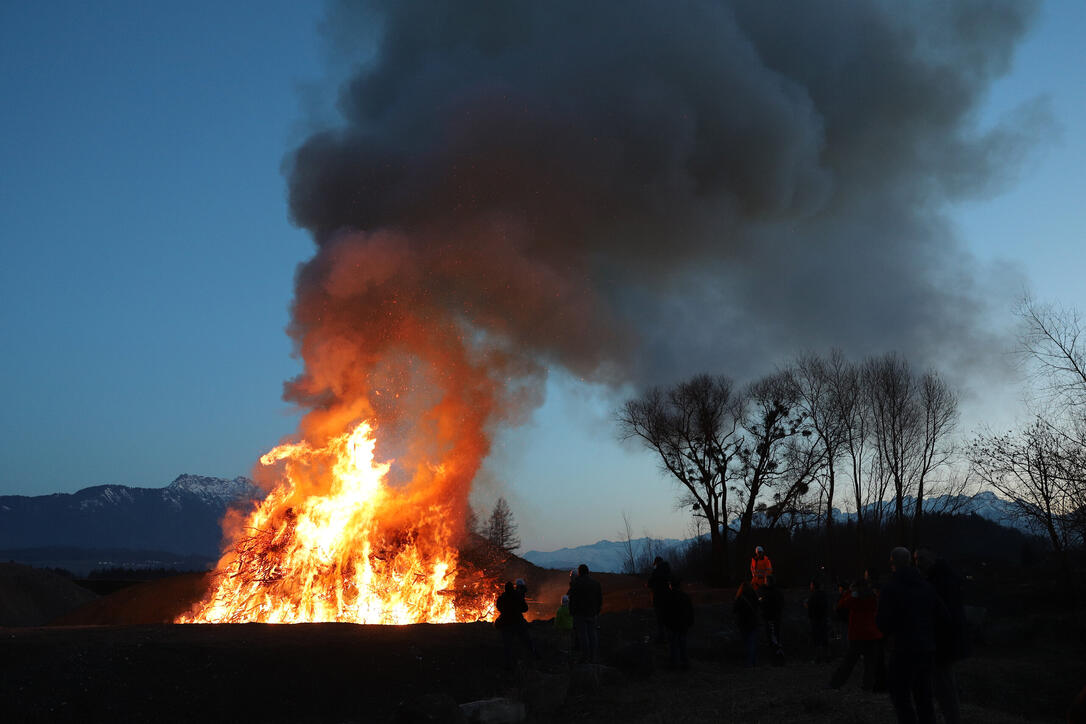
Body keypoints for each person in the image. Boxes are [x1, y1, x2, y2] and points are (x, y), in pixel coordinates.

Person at [876, 547, 948, 724]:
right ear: (909, 562)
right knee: (924, 696)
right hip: (925, 649)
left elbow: (882, 622)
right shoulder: (927, 586)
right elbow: (944, 616)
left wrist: (890, 634)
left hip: (902, 650)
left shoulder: (890, 588)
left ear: (893, 563)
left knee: (901, 696)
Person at [915, 548, 969, 724]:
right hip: (944, 640)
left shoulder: (941, 581)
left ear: (932, 558)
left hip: (943, 641)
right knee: (943, 683)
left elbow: (943, 614)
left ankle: (951, 719)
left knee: (944, 685)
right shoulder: (941, 577)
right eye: (916, 559)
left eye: (921, 558)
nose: (917, 563)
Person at [828, 579, 886, 691]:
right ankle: (867, 686)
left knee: (848, 663)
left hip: (857, 635)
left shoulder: (853, 600)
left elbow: (840, 606)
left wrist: (849, 593)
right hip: (872, 635)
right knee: (869, 664)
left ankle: (835, 683)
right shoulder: (873, 599)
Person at [568, 563, 603, 663]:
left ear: (579, 572)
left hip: (580, 614)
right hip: (592, 613)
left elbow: (572, 599)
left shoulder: (576, 583)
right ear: (588, 572)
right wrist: (597, 610)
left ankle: (585, 657)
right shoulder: (596, 583)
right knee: (592, 635)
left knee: (583, 635)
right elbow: (599, 599)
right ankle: (593, 657)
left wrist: (572, 611)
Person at [495, 581, 532, 670]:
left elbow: (498, 607)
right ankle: (530, 657)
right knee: (526, 641)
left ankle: (509, 664)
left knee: (507, 645)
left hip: (506, 624)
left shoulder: (502, 598)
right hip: (517, 622)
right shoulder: (517, 596)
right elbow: (525, 608)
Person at [663, 576, 694, 670]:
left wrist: (666, 623)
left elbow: (665, 612)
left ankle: (674, 664)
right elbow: (690, 611)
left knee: (673, 646)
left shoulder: (668, 597)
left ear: (671, 585)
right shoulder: (685, 596)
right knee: (683, 644)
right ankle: (685, 663)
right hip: (683, 625)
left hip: (673, 626)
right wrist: (689, 622)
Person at [733, 581, 760, 667]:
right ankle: (753, 662)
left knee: (747, 643)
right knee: (752, 643)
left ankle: (749, 663)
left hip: (743, 623)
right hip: (753, 622)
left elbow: (734, 610)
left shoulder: (740, 598)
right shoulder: (755, 596)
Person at [760, 574, 785, 665]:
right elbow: (782, 604)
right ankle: (777, 658)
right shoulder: (777, 592)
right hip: (775, 618)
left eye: (765, 580)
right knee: (776, 638)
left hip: (770, 618)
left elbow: (764, 604)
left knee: (773, 639)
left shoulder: (767, 593)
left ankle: (776, 659)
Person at [647, 556, 673, 644]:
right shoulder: (668, 570)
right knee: (668, 617)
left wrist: (648, 585)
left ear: (657, 563)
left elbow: (650, 583)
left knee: (660, 619)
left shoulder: (656, 572)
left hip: (658, 597)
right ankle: (670, 636)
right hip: (668, 597)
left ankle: (661, 637)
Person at [805, 578, 830, 663]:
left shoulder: (814, 596)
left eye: (811, 585)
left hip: (816, 620)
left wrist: (807, 606)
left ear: (814, 586)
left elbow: (811, 607)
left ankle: (818, 658)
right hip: (823, 619)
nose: (810, 586)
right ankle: (826, 657)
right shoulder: (823, 595)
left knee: (817, 639)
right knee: (824, 638)